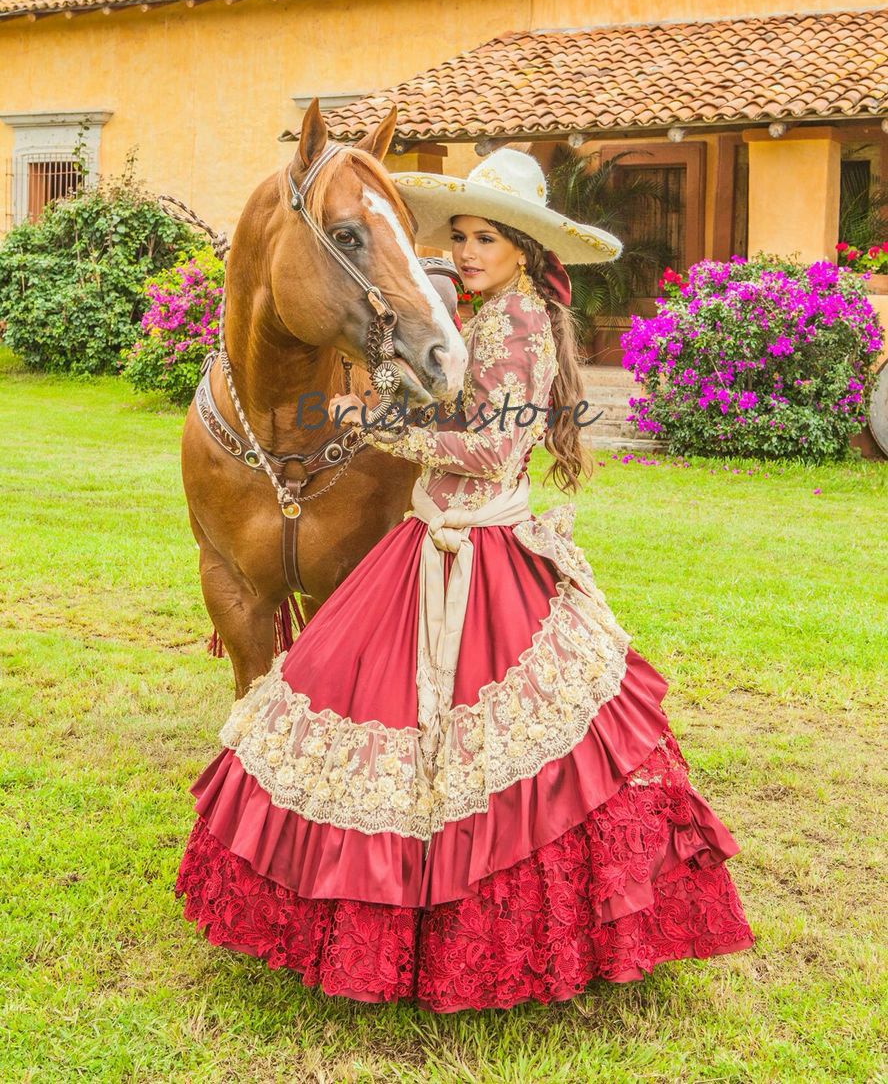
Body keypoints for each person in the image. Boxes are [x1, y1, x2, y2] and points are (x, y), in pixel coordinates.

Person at [176, 148, 754, 1011]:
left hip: (478, 554)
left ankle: (493, 921)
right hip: (433, 539)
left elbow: (490, 450)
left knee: (500, 752)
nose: (468, 253)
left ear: (524, 248)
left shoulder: (518, 325)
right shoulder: (484, 318)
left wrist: (376, 427)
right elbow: (450, 404)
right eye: (462, 236)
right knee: (381, 719)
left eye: (488, 238)